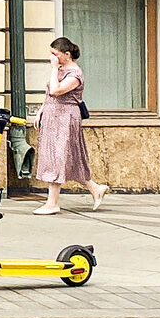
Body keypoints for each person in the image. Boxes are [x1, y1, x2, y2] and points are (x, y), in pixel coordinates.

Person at [32, 35, 111, 215]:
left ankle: (52, 203)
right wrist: (41, 111)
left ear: (67, 54)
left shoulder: (75, 74)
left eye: (55, 54)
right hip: (53, 116)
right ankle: (96, 189)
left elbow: (56, 90)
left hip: (65, 118)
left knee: (57, 157)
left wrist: (53, 69)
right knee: (70, 158)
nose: (52, 58)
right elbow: (49, 94)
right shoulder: (60, 69)